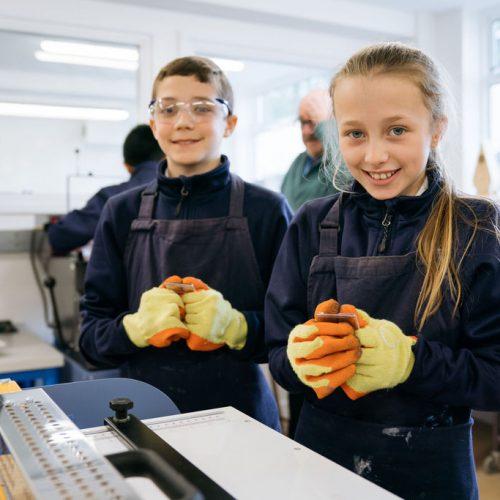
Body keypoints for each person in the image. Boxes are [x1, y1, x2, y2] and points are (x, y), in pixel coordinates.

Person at [265, 41, 500, 499]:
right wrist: (301, 358)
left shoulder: (476, 229)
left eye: (396, 130)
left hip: (431, 471)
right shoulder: (312, 223)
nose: (374, 156)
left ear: (435, 130)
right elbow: (277, 353)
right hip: (320, 460)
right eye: (355, 134)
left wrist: (410, 360)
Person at [79, 56, 292, 431]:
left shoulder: (267, 210)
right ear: (153, 123)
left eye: (202, 107)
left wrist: (237, 327)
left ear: (230, 123)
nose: (183, 121)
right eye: (168, 108)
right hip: (142, 418)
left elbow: (292, 336)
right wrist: (133, 327)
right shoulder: (121, 212)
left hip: (242, 420)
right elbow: (90, 337)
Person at [47, 124, 164, 254]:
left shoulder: (112, 198)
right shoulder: (183, 193)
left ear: (127, 166)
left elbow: (60, 237)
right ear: (165, 157)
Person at [280, 88, 341, 211]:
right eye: (302, 123)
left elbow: (348, 184)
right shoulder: (297, 163)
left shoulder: (340, 163)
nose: (306, 131)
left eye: (313, 122)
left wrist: (324, 124)